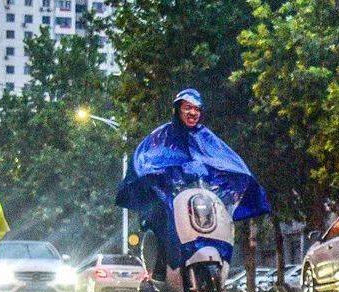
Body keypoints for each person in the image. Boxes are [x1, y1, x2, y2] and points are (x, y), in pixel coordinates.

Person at [115, 88, 269, 280]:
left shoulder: (206, 137)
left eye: (197, 109)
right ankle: (157, 274)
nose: (193, 113)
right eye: (188, 108)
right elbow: (146, 161)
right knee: (162, 222)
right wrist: (159, 180)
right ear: (178, 110)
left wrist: (232, 182)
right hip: (169, 200)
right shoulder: (162, 136)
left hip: (198, 199)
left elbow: (224, 161)